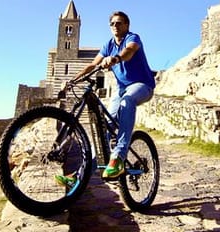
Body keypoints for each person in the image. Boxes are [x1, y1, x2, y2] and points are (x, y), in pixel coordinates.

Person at [63, 11, 155, 181]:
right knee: (104, 126)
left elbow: (129, 51)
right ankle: (80, 175)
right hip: (121, 89)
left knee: (128, 101)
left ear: (126, 25)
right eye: (112, 23)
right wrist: (72, 81)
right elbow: (92, 64)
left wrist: (116, 59)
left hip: (142, 85)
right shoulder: (108, 45)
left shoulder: (132, 38)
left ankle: (118, 157)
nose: (115, 26)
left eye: (119, 23)